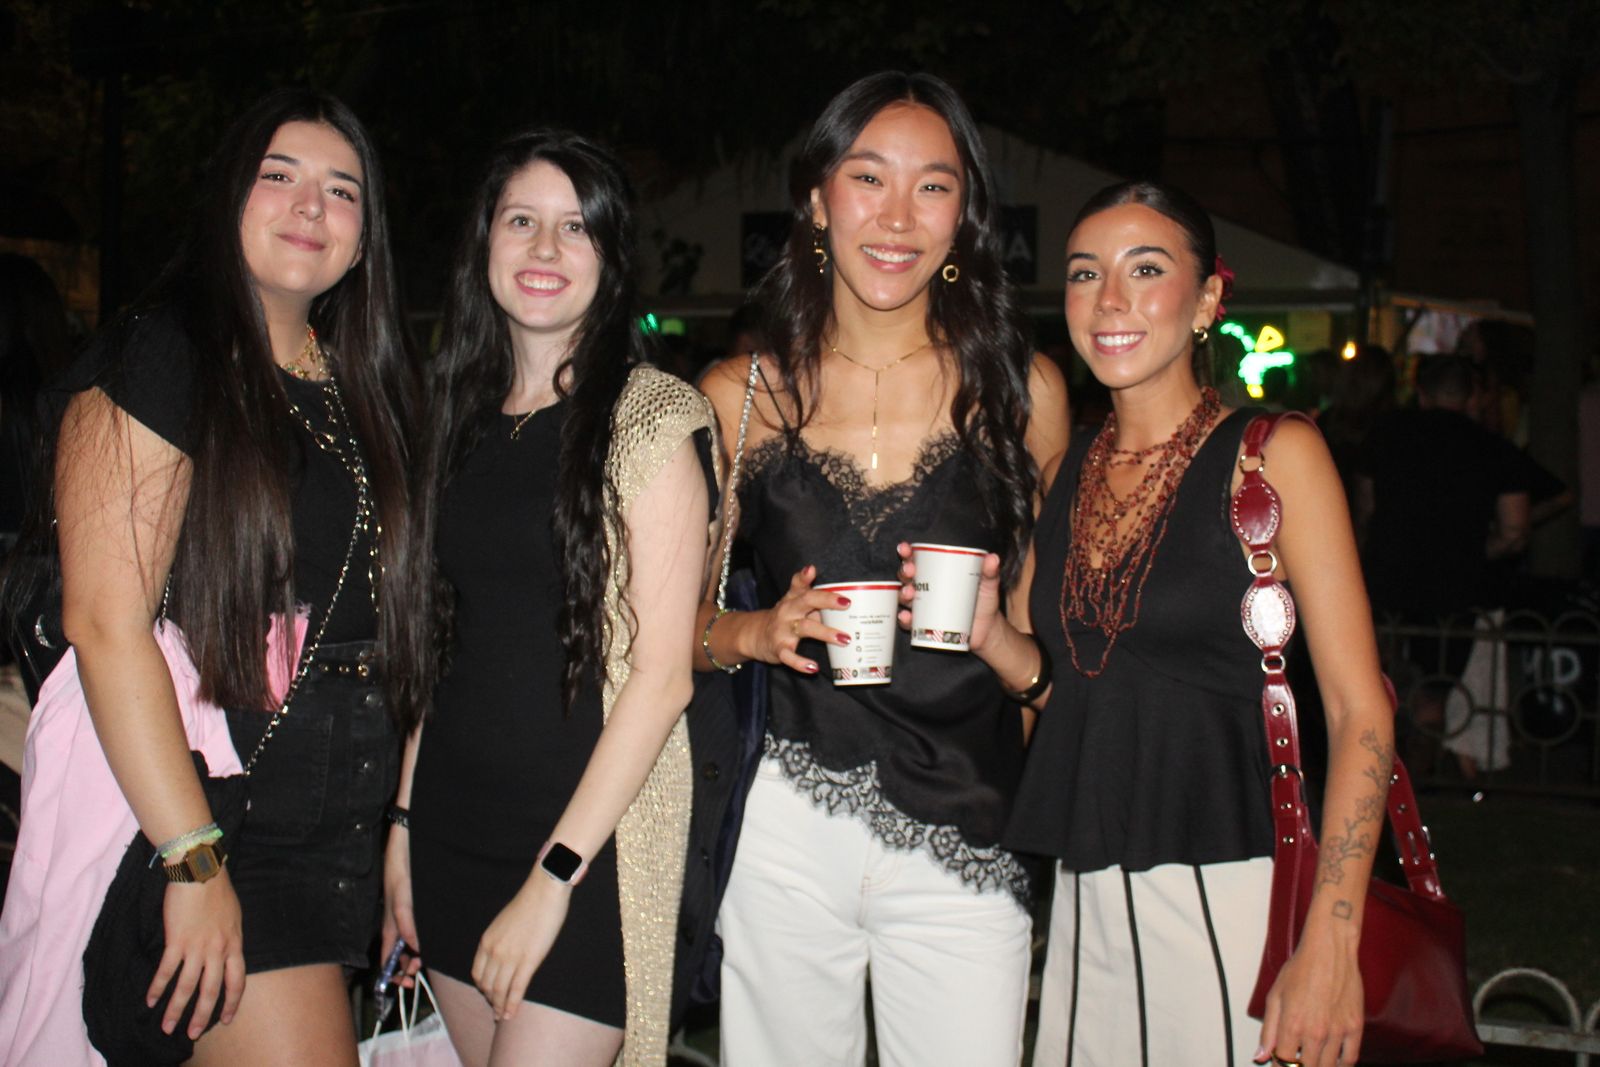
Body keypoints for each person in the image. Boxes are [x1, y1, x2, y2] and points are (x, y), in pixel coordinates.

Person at [0, 88, 426, 1066]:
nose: (310, 207)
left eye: (341, 191)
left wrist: (398, 828)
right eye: (278, 176)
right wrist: (191, 862)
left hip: (342, 823)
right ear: (227, 196)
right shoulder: (165, 356)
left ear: (366, 241)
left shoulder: (369, 391)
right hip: (221, 814)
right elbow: (105, 620)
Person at [967, 180, 1394, 1067]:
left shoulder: (1274, 455)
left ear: (1206, 301)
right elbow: (1067, 691)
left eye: (1145, 269)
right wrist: (994, 641)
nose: (1109, 300)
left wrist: (1331, 942)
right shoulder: (1070, 469)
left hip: (1232, 893)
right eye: (1085, 274)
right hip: (1087, 896)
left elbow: (1361, 714)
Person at [695, 71, 1069, 1065]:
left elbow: (1040, 656)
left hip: (967, 823)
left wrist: (1000, 668)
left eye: (933, 185)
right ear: (816, 201)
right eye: (868, 176)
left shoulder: (1021, 393)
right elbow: (660, 625)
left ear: (967, 214)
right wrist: (753, 631)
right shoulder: (741, 396)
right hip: (783, 825)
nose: (897, 215)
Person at [386, 129, 712, 1067]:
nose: (542, 248)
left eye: (575, 228)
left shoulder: (649, 416)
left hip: (585, 851)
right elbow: (442, 641)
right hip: (451, 831)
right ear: (483, 242)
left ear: (609, 261)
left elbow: (660, 682)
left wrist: (553, 878)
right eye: (520, 220)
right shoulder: (452, 418)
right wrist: (403, 826)